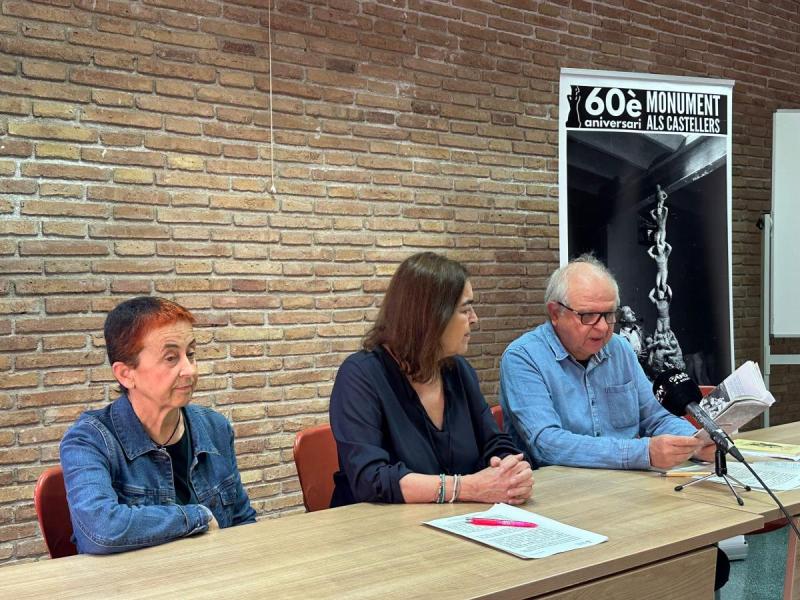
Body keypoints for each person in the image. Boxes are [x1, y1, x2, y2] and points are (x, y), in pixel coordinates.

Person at [329, 252, 534, 507]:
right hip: (377, 526)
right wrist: (469, 488)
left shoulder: (458, 370)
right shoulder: (360, 375)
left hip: (455, 520)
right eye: (465, 309)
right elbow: (371, 480)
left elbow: (494, 442)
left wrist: (510, 470)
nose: (474, 319)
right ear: (431, 316)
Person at [60, 297, 256, 554]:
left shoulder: (215, 427)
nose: (190, 370)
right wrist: (197, 517)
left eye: (191, 354)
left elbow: (243, 522)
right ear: (126, 374)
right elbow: (100, 530)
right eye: (171, 358)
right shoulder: (89, 440)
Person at [499, 254, 715, 471]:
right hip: (559, 486)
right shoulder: (523, 357)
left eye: (609, 314)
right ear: (555, 313)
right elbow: (547, 444)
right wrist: (643, 453)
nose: (603, 327)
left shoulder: (619, 348)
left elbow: (657, 418)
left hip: (627, 481)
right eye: (588, 315)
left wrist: (694, 443)